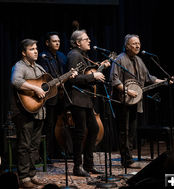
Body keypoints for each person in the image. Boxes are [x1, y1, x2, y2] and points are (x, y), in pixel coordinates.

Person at [110, 34, 165, 168]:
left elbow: (148, 78)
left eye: (138, 43)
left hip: (135, 101)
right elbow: (114, 79)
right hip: (122, 101)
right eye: (134, 43)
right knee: (124, 130)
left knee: (132, 131)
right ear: (127, 46)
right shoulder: (119, 60)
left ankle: (128, 158)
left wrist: (164, 81)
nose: (137, 46)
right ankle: (126, 160)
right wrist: (127, 90)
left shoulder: (139, 60)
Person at [65, 29, 110, 177]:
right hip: (77, 99)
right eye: (86, 39)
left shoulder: (83, 55)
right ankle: (77, 166)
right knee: (80, 133)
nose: (89, 41)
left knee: (94, 129)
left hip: (86, 100)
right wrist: (94, 76)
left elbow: (86, 73)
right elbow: (72, 78)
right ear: (78, 42)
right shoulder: (74, 55)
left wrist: (100, 68)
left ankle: (88, 165)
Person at [10, 39, 46, 188]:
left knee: (34, 145)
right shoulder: (19, 66)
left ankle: (32, 174)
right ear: (24, 52)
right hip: (24, 112)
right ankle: (24, 178)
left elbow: (47, 85)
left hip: (38, 111)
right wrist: (35, 89)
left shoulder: (39, 68)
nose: (36, 51)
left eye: (36, 48)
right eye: (32, 49)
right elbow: (15, 80)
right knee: (24, 145)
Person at [37, 32, 67, 161]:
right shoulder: (43, 57)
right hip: (50, 97)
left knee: (59, 125)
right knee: (48, 126)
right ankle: (45, 153)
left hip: (61, 96)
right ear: (47, 43)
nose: (57, 43)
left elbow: (63, 73)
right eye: (54, 41)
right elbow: (45, 79)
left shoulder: (61, 56)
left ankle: (57, 150)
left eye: (59, 41)